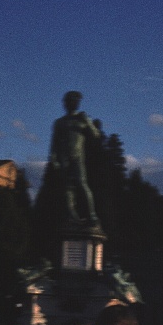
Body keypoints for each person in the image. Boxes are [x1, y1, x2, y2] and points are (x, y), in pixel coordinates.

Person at [49, 90, 101, 225]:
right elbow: (54, 142)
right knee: (68, 188)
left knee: (82, 184)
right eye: (68, 101)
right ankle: (72, 216)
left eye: (74, 101)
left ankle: (92, 216)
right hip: (63, 159)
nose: (70, 103)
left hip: (77, 158)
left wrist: (88, 122)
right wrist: (53, 158)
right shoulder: (59, 122)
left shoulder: (82, 120)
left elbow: (95, 136)